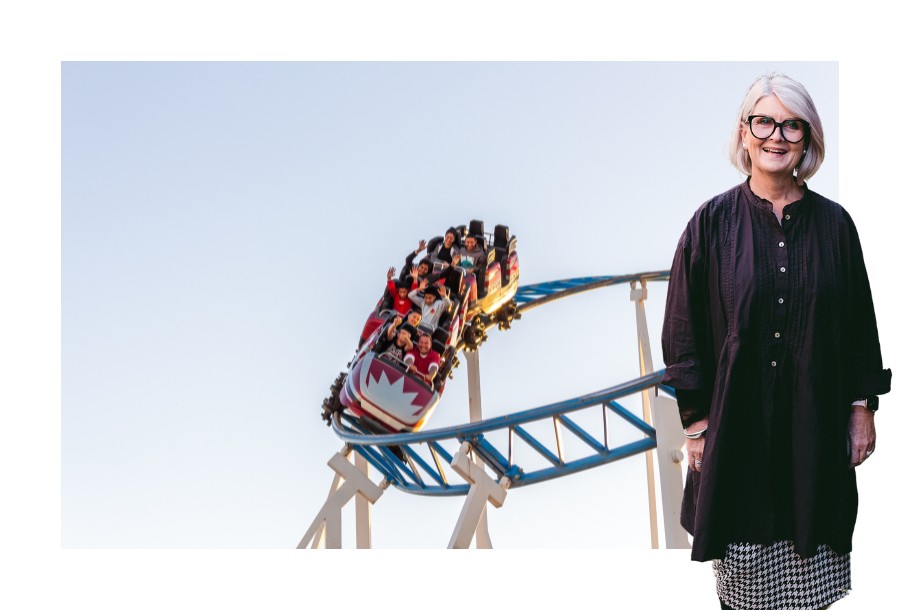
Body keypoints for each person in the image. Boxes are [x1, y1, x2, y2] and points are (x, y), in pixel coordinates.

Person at [660, 73, 890, 610]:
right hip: (737, 430)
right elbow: (682, 329)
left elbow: (860, 322)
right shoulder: (710, 224)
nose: (776, 135)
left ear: (807, 139)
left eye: (792, 125)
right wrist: (696, 423)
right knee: (744, 588)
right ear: (744, 132)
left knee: (813, 580)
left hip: (815, 429)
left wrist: (862, 407)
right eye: (764, 121)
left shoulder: (836, 226)